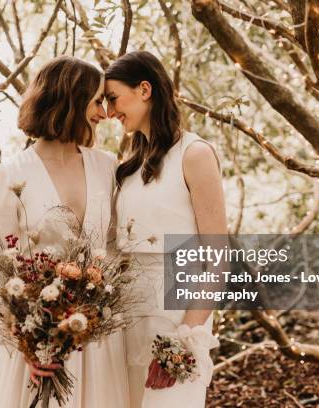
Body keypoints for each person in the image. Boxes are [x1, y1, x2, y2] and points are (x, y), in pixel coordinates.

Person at [0, 56, 130, 407]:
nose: (104, 113)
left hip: (96, 341)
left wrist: (99, 311)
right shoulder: (11, 174)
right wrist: (27, 342)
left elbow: (116, 249)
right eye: (96, 102)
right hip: (34, 344)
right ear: (70, 100)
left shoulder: (106, 167)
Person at [105, 50, 226, 407]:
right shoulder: (127, 168)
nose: (110, 112)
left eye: (113, 98)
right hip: (127, 315)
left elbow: (218, 259)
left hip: (177, 312)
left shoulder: (195, 154)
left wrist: (183, 341)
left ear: (144, 89)